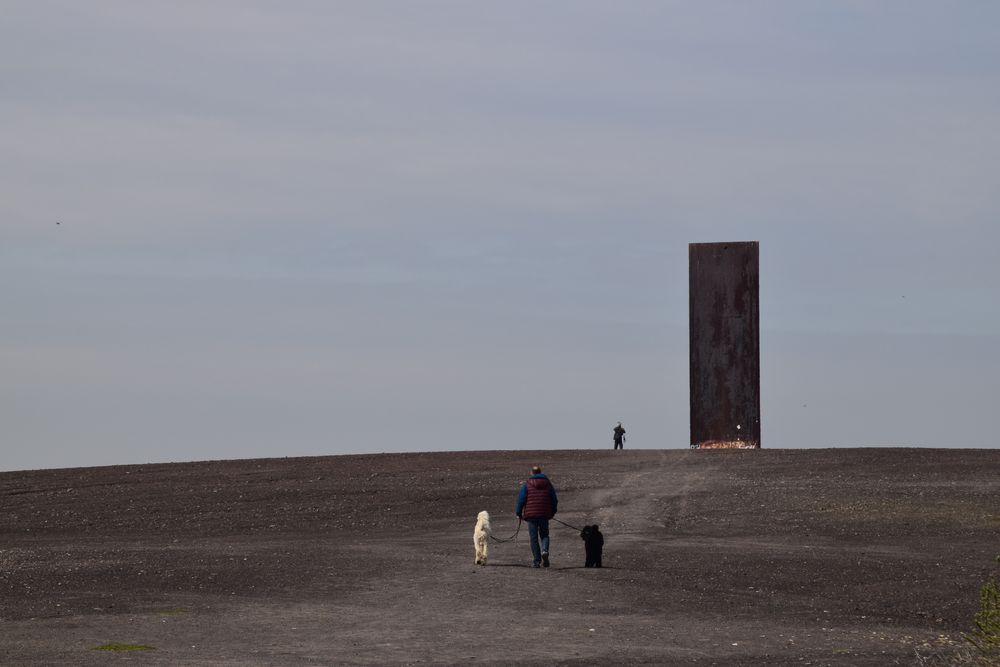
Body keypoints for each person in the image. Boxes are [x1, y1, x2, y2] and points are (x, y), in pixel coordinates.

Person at [515, 465, 558, 568]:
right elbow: (554, 499)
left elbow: (521, 500)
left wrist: (518, 513)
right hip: (544, 514)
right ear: (540, 472)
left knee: (533, 538)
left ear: (531, 473)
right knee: (544, 535)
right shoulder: (548, 484)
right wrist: (553, 512)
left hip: (531, 516)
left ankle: (537, 561)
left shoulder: (527, 485)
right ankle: (545, 550)